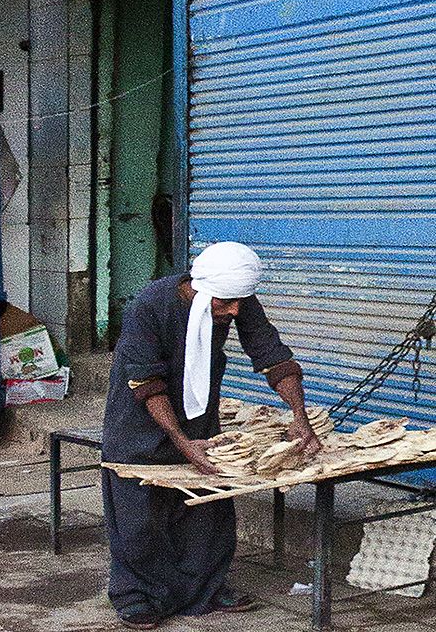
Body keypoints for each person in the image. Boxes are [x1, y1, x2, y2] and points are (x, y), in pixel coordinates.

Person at [102, 241, 320, 630]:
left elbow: (272, 355)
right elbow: (147, 380)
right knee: (140, 513)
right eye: (226, 303)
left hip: (198, 411)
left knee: (205, 508)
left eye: (240, 301)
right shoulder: (149, 306)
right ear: (200, 289)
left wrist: (300, 416)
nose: (235, 310)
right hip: (141, 414)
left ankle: (205, 589)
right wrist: (180, 442)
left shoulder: (234, 297)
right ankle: (138, 596)